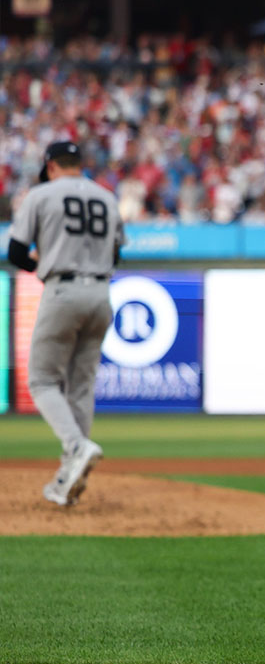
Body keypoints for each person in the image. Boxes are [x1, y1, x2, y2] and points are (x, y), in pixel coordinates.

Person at [7, 141, 124, 506]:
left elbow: (14, 252)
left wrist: (42, 265)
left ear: (51, 165)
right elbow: (117, 252)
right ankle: (68, 475)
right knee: (81, 387)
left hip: (63, 290)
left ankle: (76, 447)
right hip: (102, 293)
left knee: (42, 380)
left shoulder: (41, 194)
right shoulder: (107, 197)